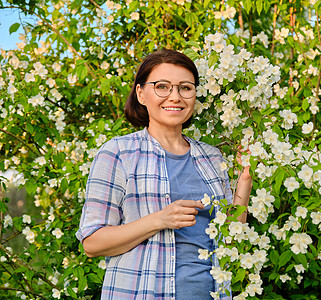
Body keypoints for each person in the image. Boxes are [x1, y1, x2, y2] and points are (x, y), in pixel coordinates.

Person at [76, 49, 252, 300]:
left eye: (185, 88)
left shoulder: (212, 158)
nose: (175, 97)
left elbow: (231, 240)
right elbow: (92, 244)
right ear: (141, 93)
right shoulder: (118, 153)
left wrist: (244, 184)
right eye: (162, 86)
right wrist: (160, 219)